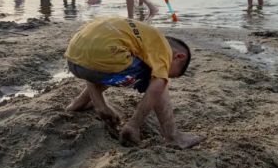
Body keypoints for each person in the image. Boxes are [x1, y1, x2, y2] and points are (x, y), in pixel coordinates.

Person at [65, 17, 204, 149]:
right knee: (158, 81)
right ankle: (173, 136)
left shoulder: (140, 35)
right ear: (179, 56)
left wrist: (100, 104)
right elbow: (157, 86)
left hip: (74, 60)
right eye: (170, 73)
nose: (166, 73)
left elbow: (93, 61)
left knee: (118, 66)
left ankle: (79, 103)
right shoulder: (162, 46)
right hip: (104, 58)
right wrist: (134, 124)